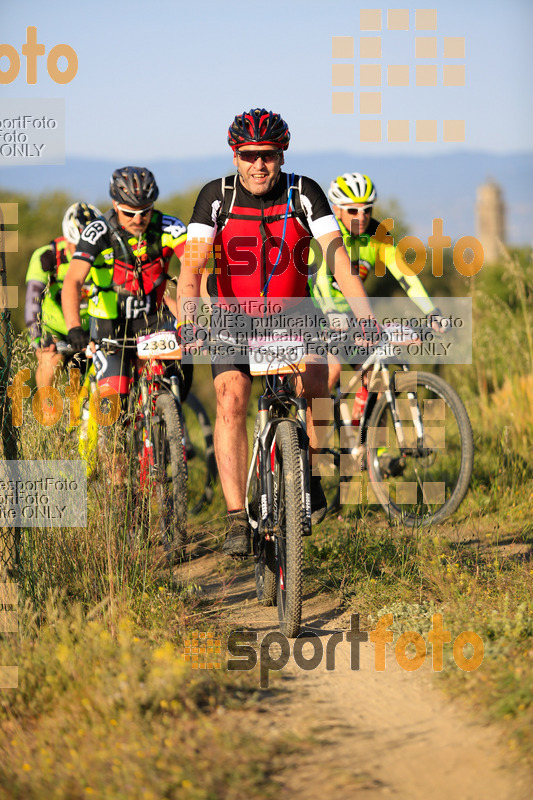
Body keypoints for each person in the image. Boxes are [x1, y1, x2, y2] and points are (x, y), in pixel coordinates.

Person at [176, 108, 378, 557]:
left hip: (294, 314)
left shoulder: (304, 192)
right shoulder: (216, 197)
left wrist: (365, 316)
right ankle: (234, 517)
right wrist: (189, 319)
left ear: (281, 154)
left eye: (267, 155)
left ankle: (312, 470)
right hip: (232, 317)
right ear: (235, 155)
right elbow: (191, 266)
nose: (258, 165)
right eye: (249, 155)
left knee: (322, 382)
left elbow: (338, 259)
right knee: (231, 400)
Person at [62, 166, 190, 407]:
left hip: (154, 318)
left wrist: (195, 320)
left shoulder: (171, 227)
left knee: (174, 378)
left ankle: (163, 429)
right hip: (109, 324)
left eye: (145, 211)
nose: (138, 219)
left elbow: (196, 271)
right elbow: (73, 281)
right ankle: (114, 441)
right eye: (129, 213)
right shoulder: (97, 232)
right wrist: (74, 329)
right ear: (114, 203)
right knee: (114, 398)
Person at [311, 172, 447, 393]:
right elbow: (320, 282)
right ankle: (309, 425)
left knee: (377, 381)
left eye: (367, 210)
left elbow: (406, 276)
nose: (362, 216)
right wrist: (330, 311)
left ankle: (363, 426)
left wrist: (431, 311)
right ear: (336, 209)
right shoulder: (327, 235)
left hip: (354, 317)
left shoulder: (378, 236)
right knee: (333, 369)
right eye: (353, 210)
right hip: (319, 314)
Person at [25, 202, 102, 387]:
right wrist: (38, 338)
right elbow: (32, 301)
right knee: (50, 362)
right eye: (79, 248)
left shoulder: (106, 256)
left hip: (93, 327)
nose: (86, 255)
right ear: (67, 240)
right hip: (56, 330)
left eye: (92, 249)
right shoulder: (47, 257)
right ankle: (45, 414)